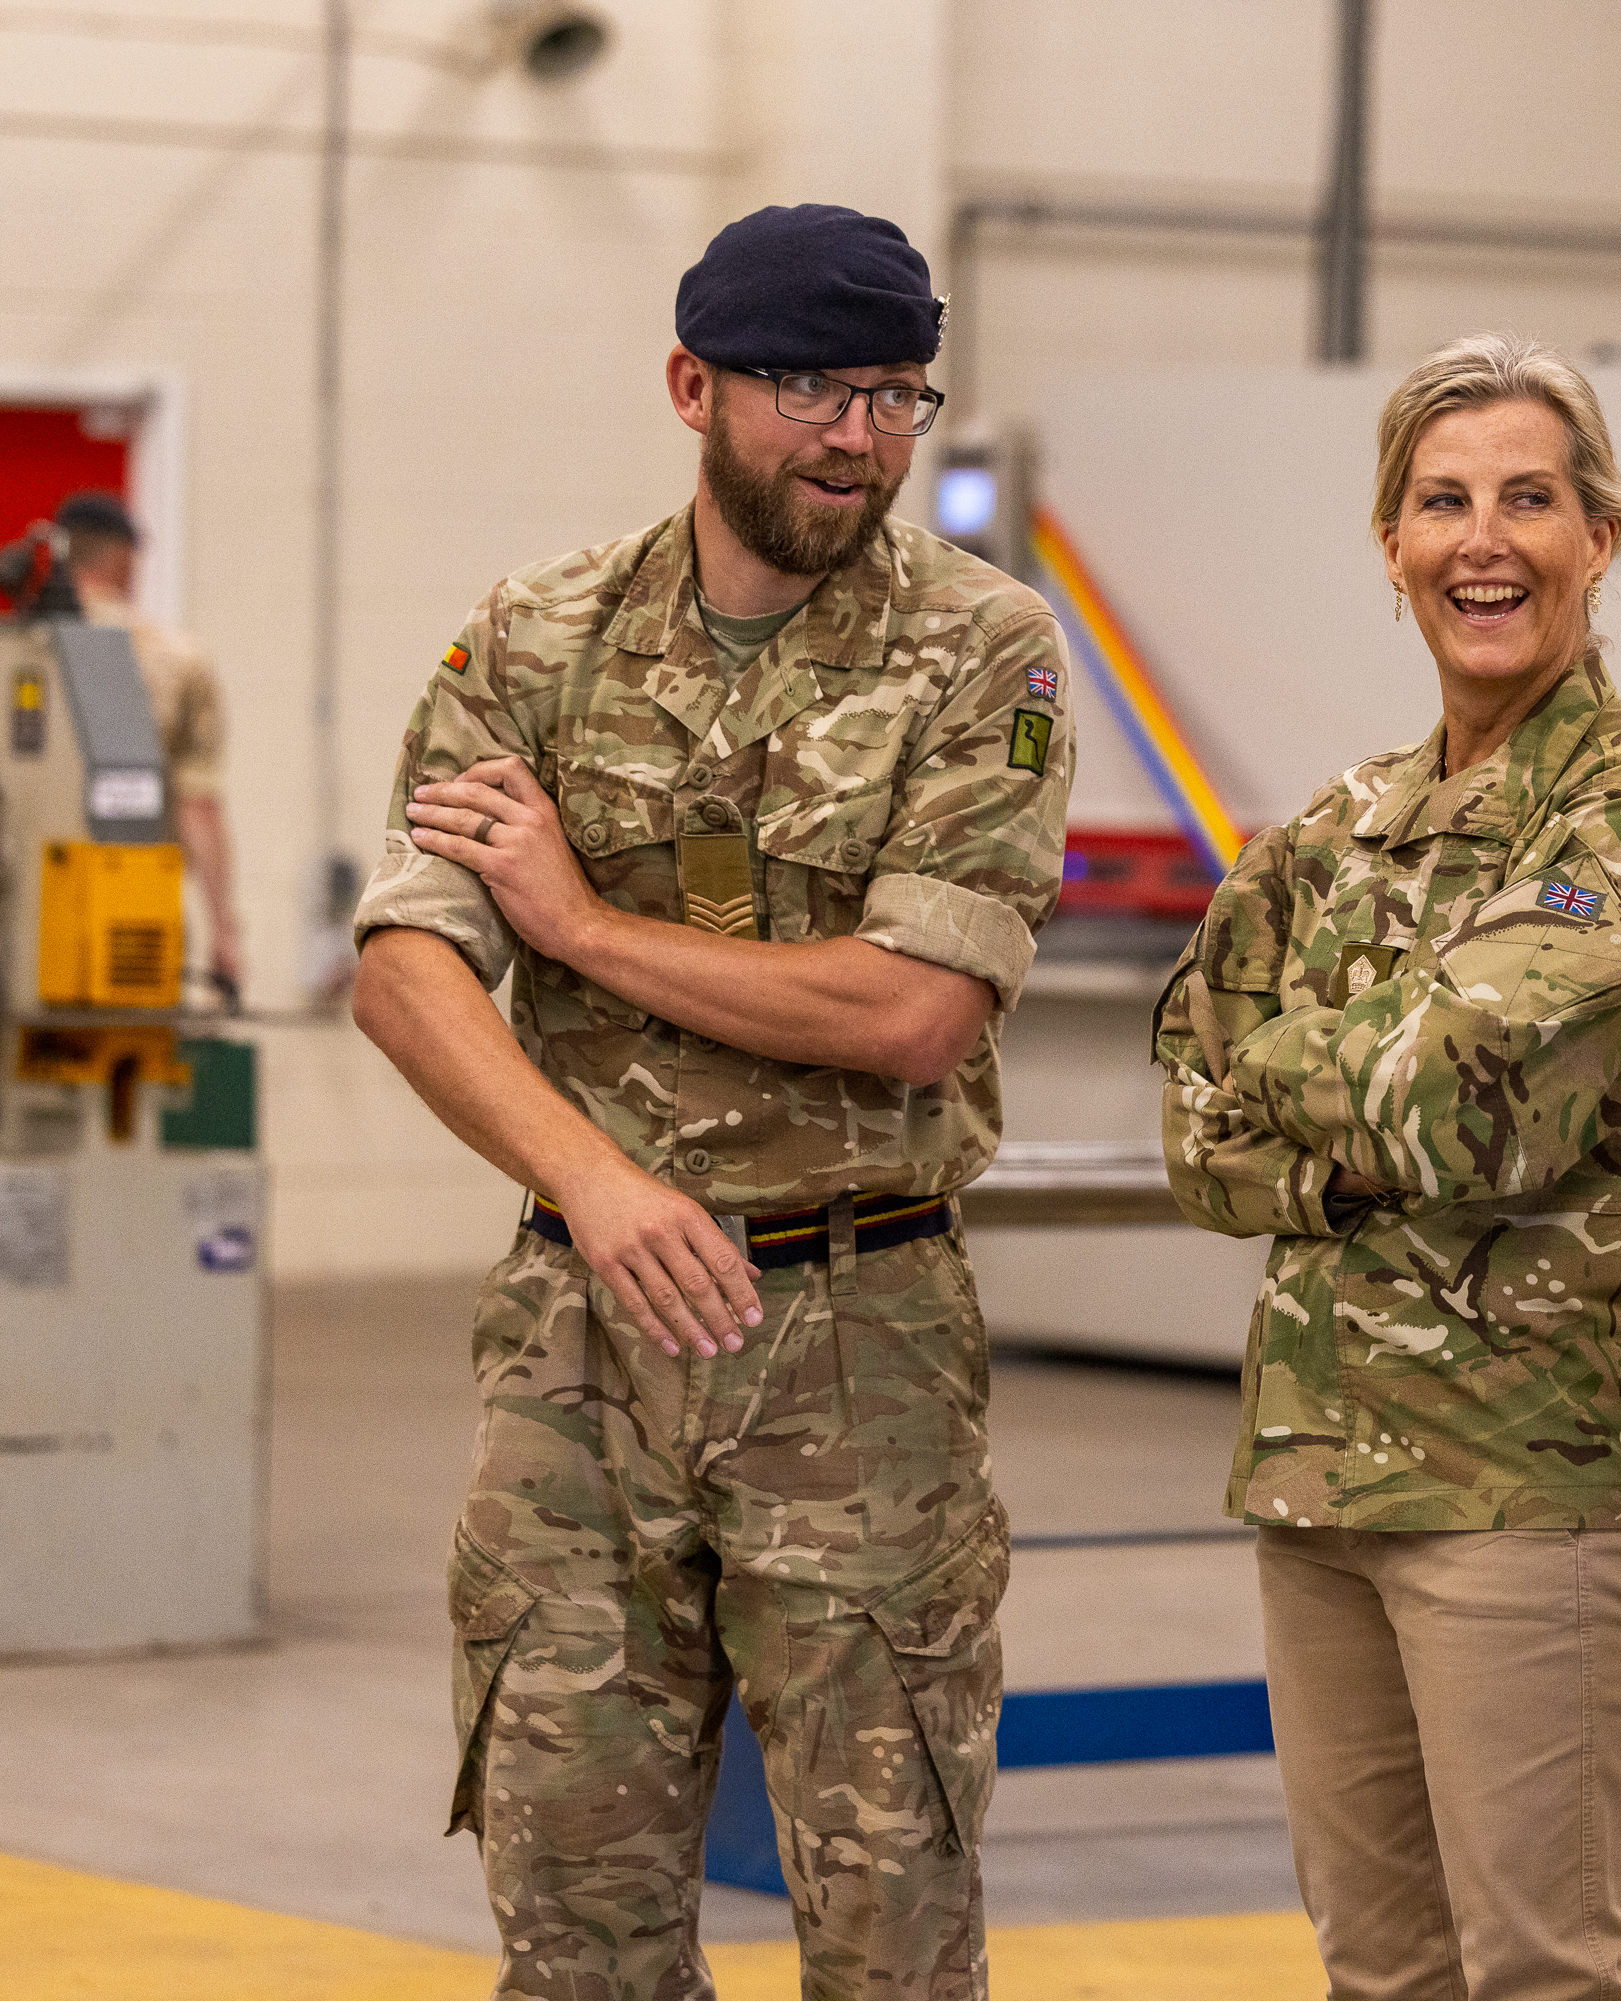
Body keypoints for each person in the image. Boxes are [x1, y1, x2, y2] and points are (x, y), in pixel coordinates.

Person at [350, 203, 1073, 1996]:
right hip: (583, 1348)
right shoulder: (539, 637)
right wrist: (593, 1181)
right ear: (693, 387)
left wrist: (581, 925)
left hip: (856, 1340)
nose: (858, 438)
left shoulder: (983, 649)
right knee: (572, 1920)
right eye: (810, 389)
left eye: (895, 395)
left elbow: (911, 1010)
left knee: (892, 1927)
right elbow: (405, 969)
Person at [1153, 333, 1621, 2001]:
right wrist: (1355, 1106)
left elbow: (1466, 1111)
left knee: (1546, 1969)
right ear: (1391, 544)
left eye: (1528, 499)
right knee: (1381, 1971)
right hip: (1324, 1474)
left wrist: (1303, 1061)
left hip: (1531, 1480)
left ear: (1598, 538)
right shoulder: (1343, 825)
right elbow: (1193, 1120)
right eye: (1441, 502)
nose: (1482, 542)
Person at [53, 489, 245, 1000]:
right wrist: (224, 930)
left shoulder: (18, 650)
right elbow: (197, 805)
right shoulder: (175, 659)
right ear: (124, 558)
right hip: (132, 922)